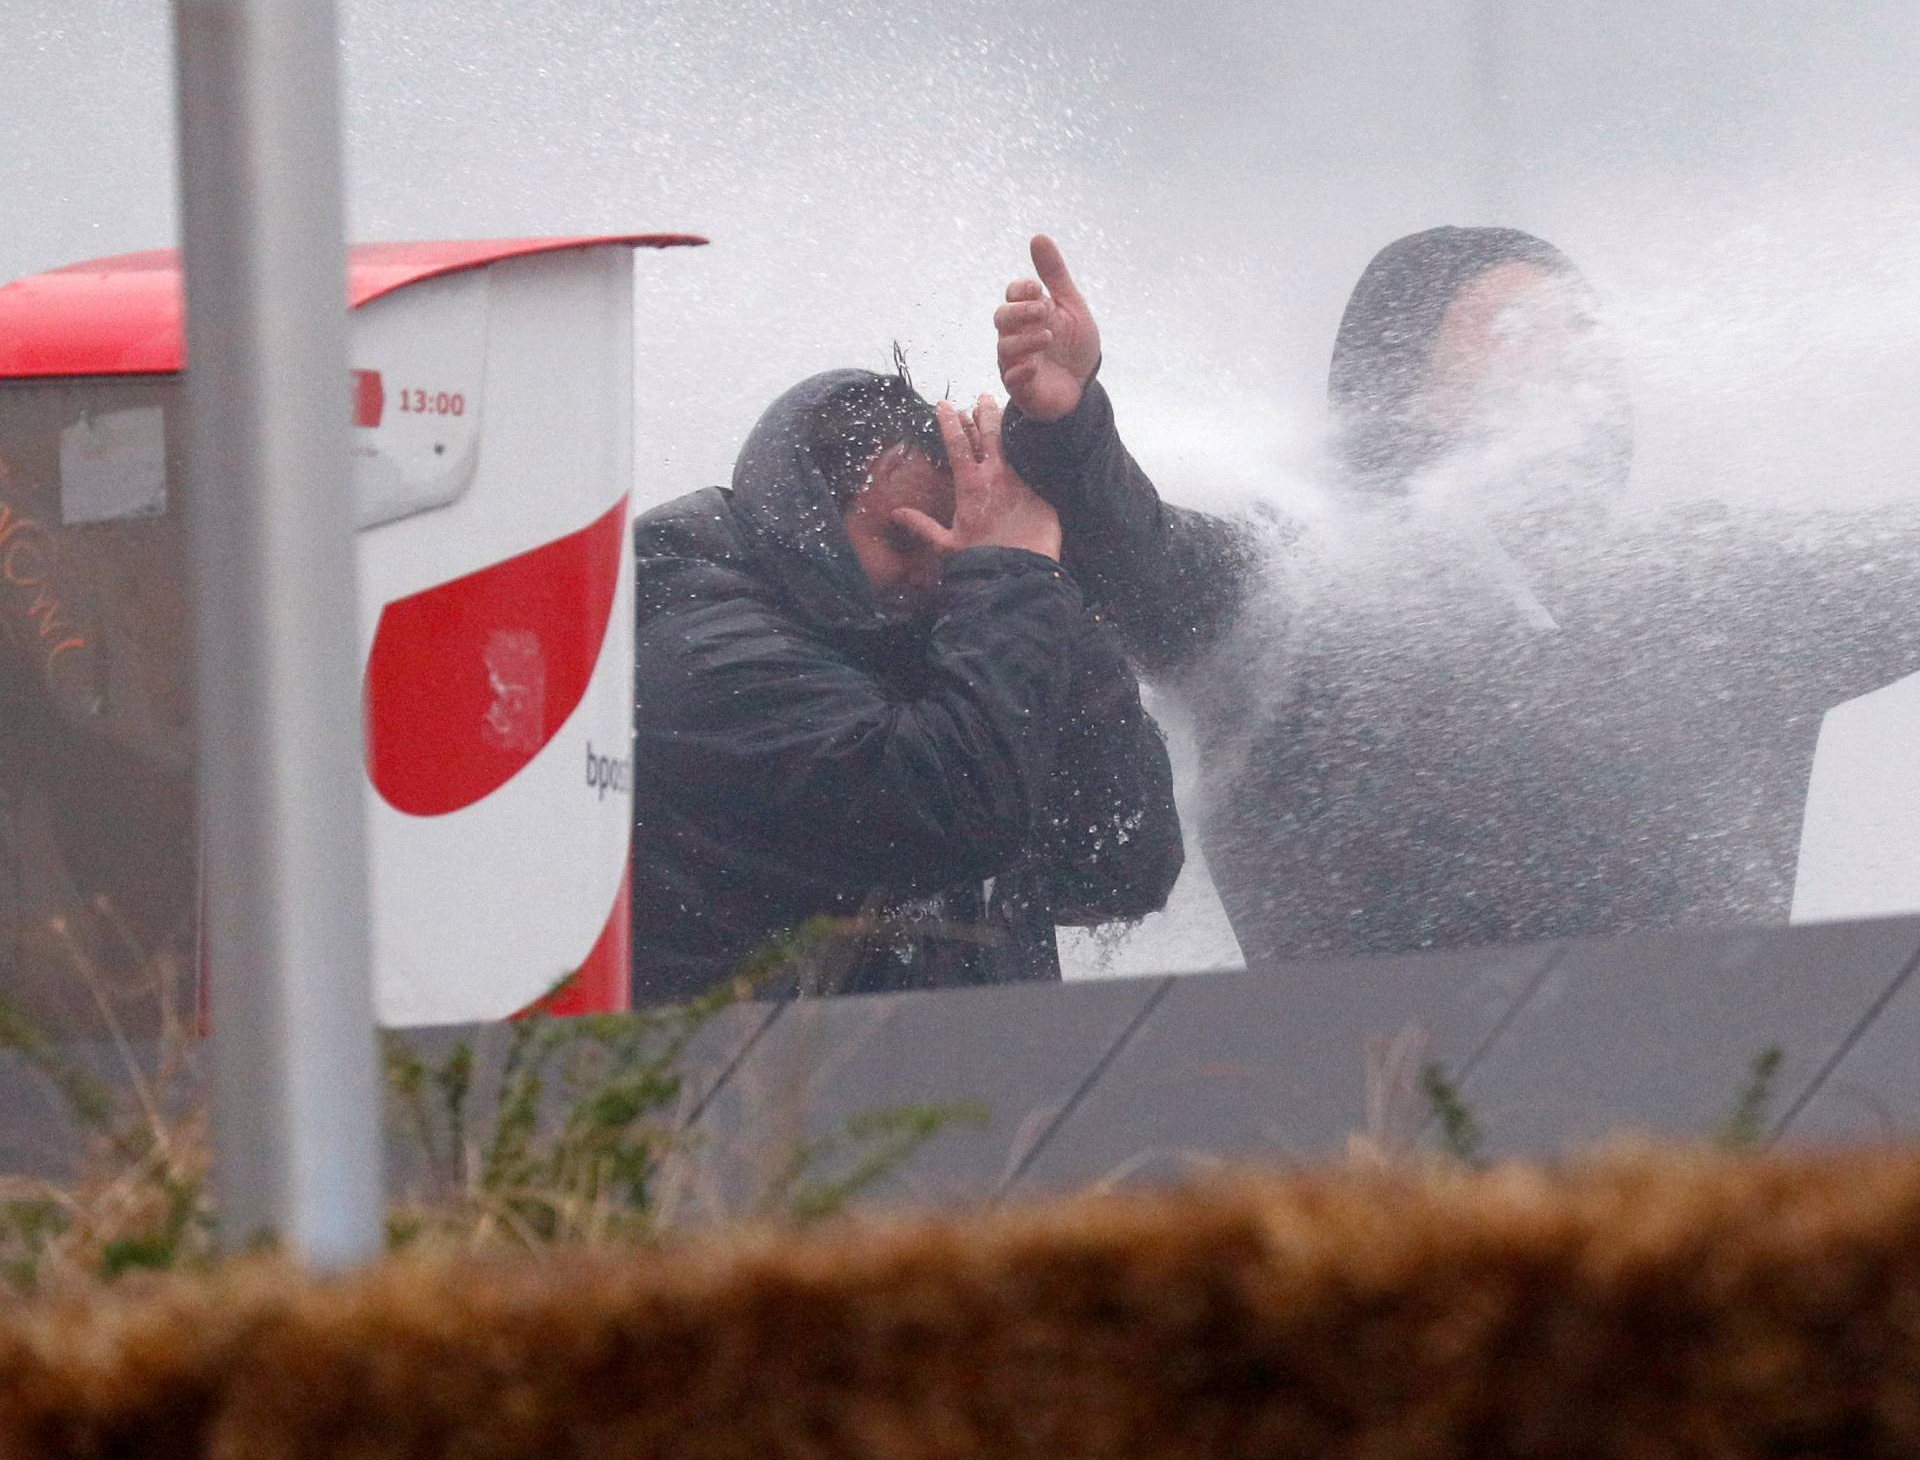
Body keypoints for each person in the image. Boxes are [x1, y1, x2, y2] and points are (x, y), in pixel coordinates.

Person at [995, 228, 1920, 965]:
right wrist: (1070, 429)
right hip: (1386, 1134)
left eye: (1581, 334)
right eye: (1516, 333)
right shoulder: (1301, 594)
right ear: (1396, 379)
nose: (1567, 363)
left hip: (1715, 1134)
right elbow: (1141, 555)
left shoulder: (1706, 592)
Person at [628, 366, 1182, 1000]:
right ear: (805, 513)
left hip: (941, 1085)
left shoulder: (960, 634)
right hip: (739, 1090)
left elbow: (1121, 863)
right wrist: (1015, 580)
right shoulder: (696, 637)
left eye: (958, 543)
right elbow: (946, 812)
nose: (935, 572)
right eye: (901, 536)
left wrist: (1058, 600)